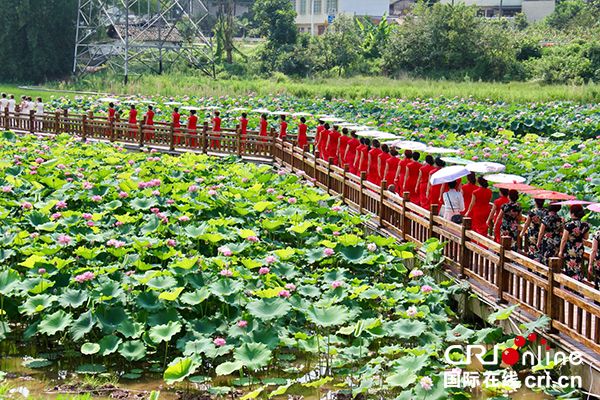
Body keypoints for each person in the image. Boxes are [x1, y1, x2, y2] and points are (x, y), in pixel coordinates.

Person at [559, 204, 590, 280]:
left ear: (572, 214)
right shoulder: (585, 225)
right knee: (577, 266)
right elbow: (586, 237)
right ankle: (578, 281)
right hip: (579, 249)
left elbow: (564, 239)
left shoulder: (569, 225)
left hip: (570, 249)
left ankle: (570, 286)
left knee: (570, 266)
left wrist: (560, 251)